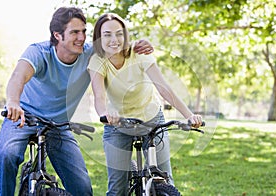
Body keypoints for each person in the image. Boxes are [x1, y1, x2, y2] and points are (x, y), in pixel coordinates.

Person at [0, 7, 154, 196]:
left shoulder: (90, 54)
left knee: (82, 188)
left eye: (84, 31)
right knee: (7, 155)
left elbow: (116, 44)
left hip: (59, 125)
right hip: (23, 117)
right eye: (75, 32)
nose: (82, 37)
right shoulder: (38, 52)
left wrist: (139, 44)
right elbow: (17, 77)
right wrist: (13, 102)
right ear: (58, 35)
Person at [87, 13, 203, 196]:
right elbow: (99, 97)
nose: (114, 40)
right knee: (118, 189)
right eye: (107, 34)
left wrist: (189, 115)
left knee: (165, 180)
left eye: (119, 33)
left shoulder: (138, 53)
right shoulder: (97, 61)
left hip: (152, 120)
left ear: (125, 35)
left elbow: (164, 88)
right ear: (99, 38)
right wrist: (105, 114)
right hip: (118, 124)